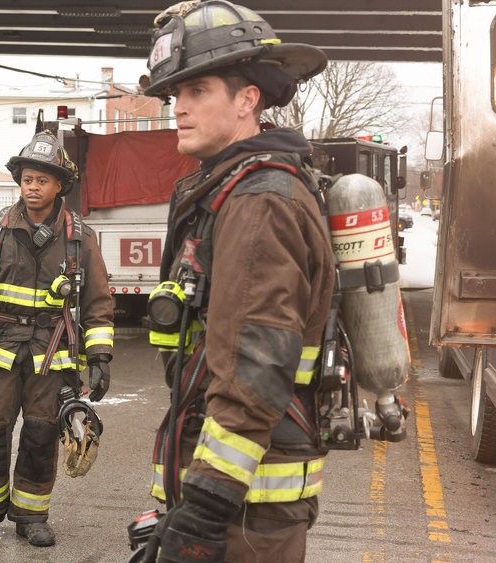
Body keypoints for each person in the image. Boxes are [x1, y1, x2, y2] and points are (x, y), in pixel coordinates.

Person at [138, 2, 334, 561]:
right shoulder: (224, 190)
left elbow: (256, 365)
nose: (179, 108)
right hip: (235, 493)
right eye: (175, 95)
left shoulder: (260, 201)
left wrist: (204, 507)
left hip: (247, 511)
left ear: (247, 99)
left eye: (197, 91)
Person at [0, 131, 114, 548]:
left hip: (52, 355)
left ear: (60, 186)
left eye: (41, 180)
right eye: (27, 180)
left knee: (41, 436)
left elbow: (97, 301)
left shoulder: (81, 238)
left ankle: (31, 515)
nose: (32, 188)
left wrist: (100, 356)